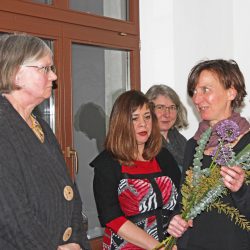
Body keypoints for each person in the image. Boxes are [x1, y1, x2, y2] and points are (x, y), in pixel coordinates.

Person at [0, 33, 89, 250]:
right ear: (16, 74)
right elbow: (11, 213)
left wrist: (76, 240)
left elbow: (67, 190)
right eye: (45, 68)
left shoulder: (38, 123)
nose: (54, 76)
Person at [169, 59, 250, 250]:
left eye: (206, 89)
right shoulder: (194, 145)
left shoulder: (247, 144)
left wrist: (241, 190)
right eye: (194, 92)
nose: (196, 100)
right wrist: (176, 219)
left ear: (231, 92)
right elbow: (183, 201)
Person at [90, 90, 182, 249]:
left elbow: (182, 199)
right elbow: (112, 218)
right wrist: (158, 247)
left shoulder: (163, 156)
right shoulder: (106, 163)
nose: (143, 124)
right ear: (121, 122)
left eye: (147, 117)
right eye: (134, 118)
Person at [146, 84, 188, 172]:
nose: (167, 114)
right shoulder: (145, 144)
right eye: (160, 107)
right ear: (148, 110)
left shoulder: (182, 141)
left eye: (172, 107)